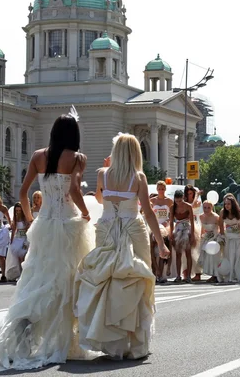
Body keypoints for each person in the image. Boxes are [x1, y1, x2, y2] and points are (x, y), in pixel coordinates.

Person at [0, 112, 96, 370]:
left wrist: (30, 219)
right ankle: (64, 339)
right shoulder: (76, 158)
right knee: (68, 281)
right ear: (74, 134)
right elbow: (73, 191)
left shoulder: (39, 156)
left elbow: (23, 191)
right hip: (69, 225)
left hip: (44, 225)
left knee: (37, 281)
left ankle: (19, 340)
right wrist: (85, 212)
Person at [74, 133, 167, 360]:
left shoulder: (102, 174)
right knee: (136, 281)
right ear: (135, 153)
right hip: (132, 230)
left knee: (106, 281)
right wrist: (161, 242)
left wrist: (107, 174)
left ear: (116, 153)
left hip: (105, 229)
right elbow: (147, 211)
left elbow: (98, 200)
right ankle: (135, 342)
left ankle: (111, 338)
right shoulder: (139, 177)